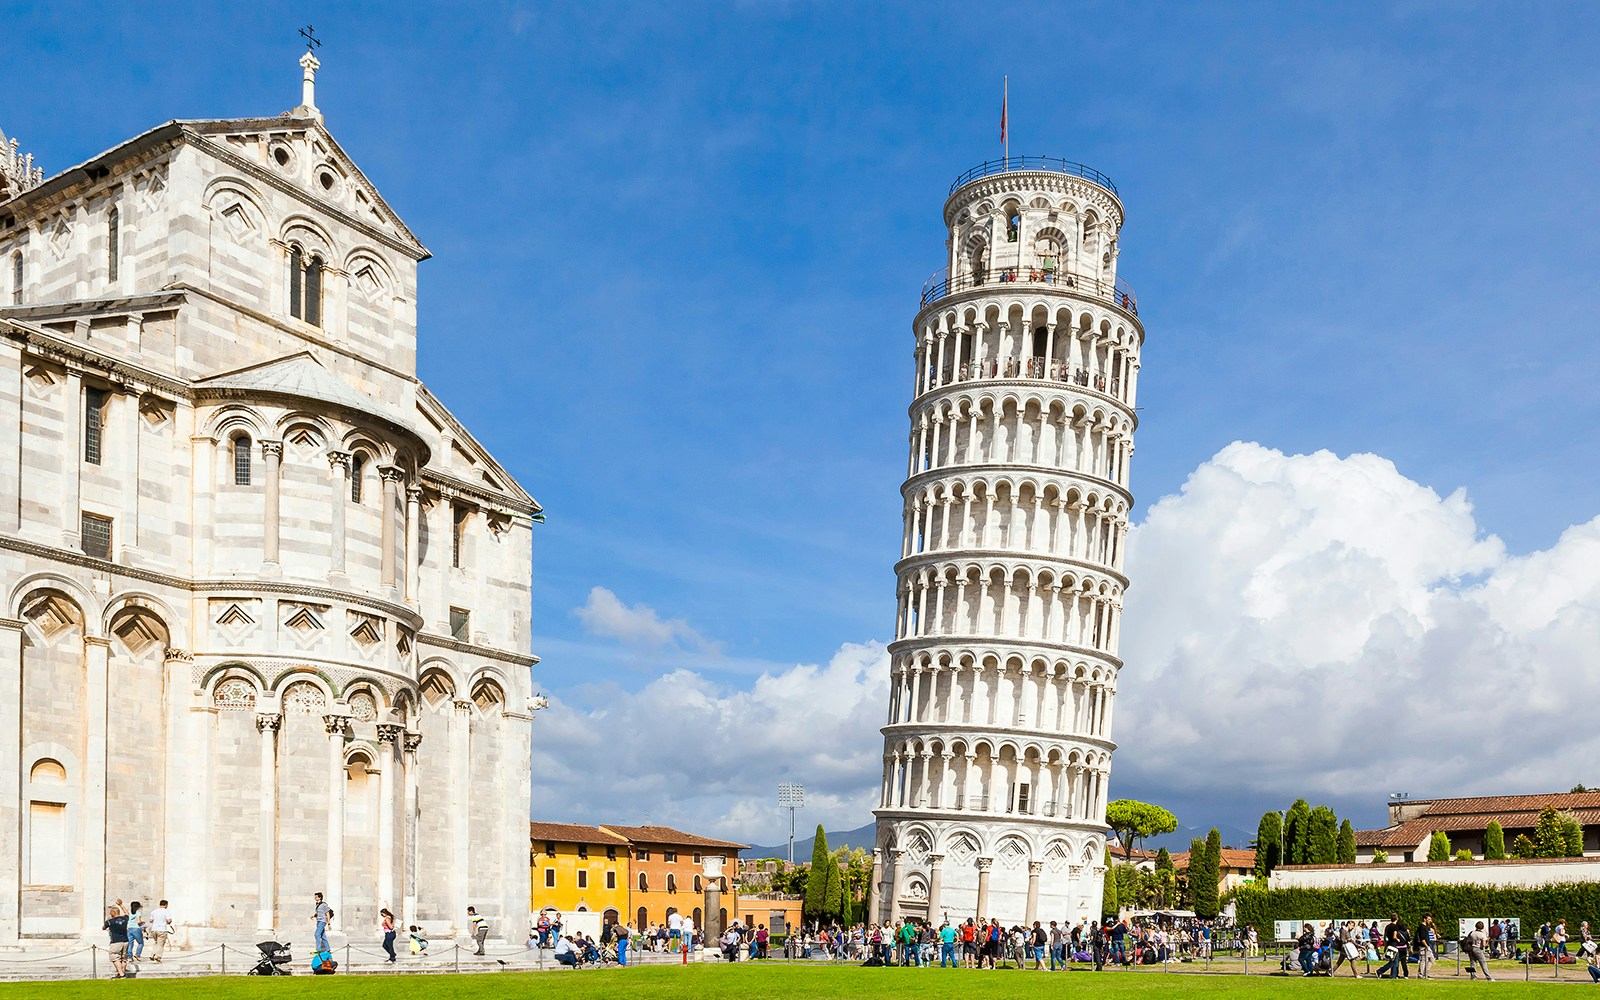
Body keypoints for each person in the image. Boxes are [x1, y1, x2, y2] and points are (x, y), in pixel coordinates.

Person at [104, 904, 130, 979]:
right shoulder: (124, 919)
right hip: (125, 940)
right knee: (124, 958)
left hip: (116, 941)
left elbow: (103, 927)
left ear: (112, 913)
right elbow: (126, 913)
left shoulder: (110, 921)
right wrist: (121, 905)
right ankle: (122, 972)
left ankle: (121, 974)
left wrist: (108, 921)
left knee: (114, 956)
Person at [1415, 914, 1437, 979]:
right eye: (1429, 919)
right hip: (1424, 947)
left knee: (1431, 959)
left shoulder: (1425, 927)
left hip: (1426, 946)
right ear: (1425, 919)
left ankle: (1425, 973)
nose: (1430, 921)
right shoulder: (1422, 927)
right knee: (1423, 960)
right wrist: (1427, 946)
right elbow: (1422, 939)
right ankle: (1421, 974)